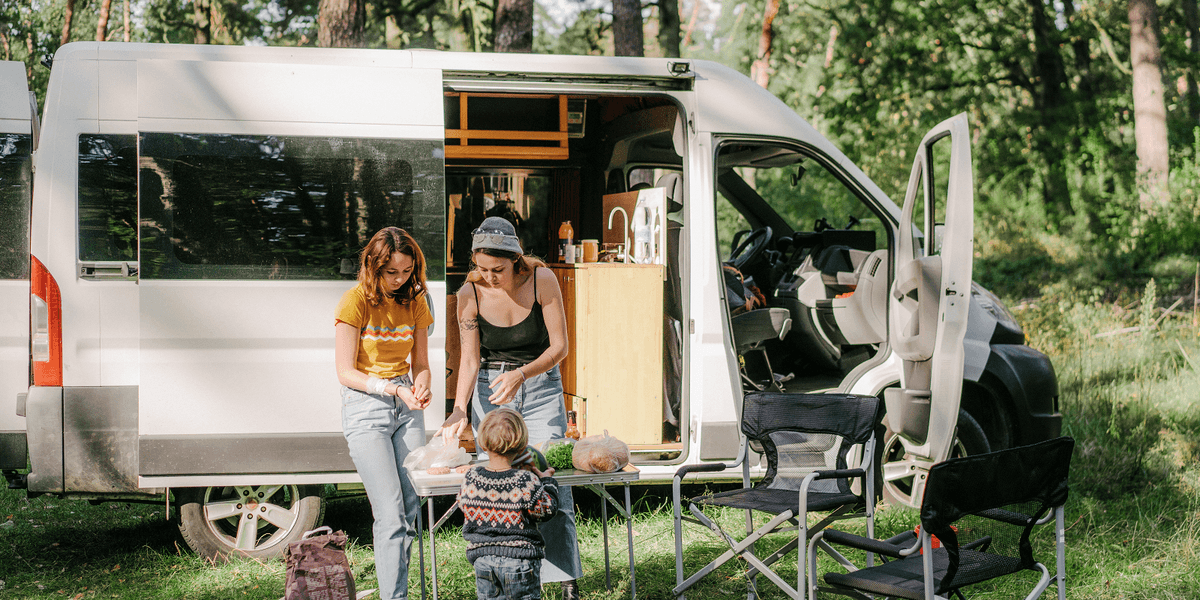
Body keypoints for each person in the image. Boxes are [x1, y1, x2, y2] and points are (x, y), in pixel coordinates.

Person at [438, 215, 584, 600]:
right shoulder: (469, 294)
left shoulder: (542, 279)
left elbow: (560, 348)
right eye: (481, 268)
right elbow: (469, 360)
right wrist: (459, 408)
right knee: (500, 483)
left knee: (551, 479)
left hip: (538, 385)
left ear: (516, 260)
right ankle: (511, 574)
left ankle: (565, 579)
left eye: (497, 269)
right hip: (491, 389)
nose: (488, 276)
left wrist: (521, 374)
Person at [334, 227, 433, 600]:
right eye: (390, 272)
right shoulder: (354, 301)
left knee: (409, 507)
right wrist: (392, 388)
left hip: (405, 404)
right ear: (373, 267)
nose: (398, 279)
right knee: (390, 513)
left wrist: (422, 384)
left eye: (406, 271)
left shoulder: (416, 300)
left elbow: (420, 362)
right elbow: (345, 371)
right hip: (366, 405)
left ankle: (398, 592)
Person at [458, 408, 560, 600]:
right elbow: (546, 510)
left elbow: (463, 504)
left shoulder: (471, 477)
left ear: (483, 443)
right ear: (522, 445)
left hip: (483, 559)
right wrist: (547, 483)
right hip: (519, 560)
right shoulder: (524, 480)